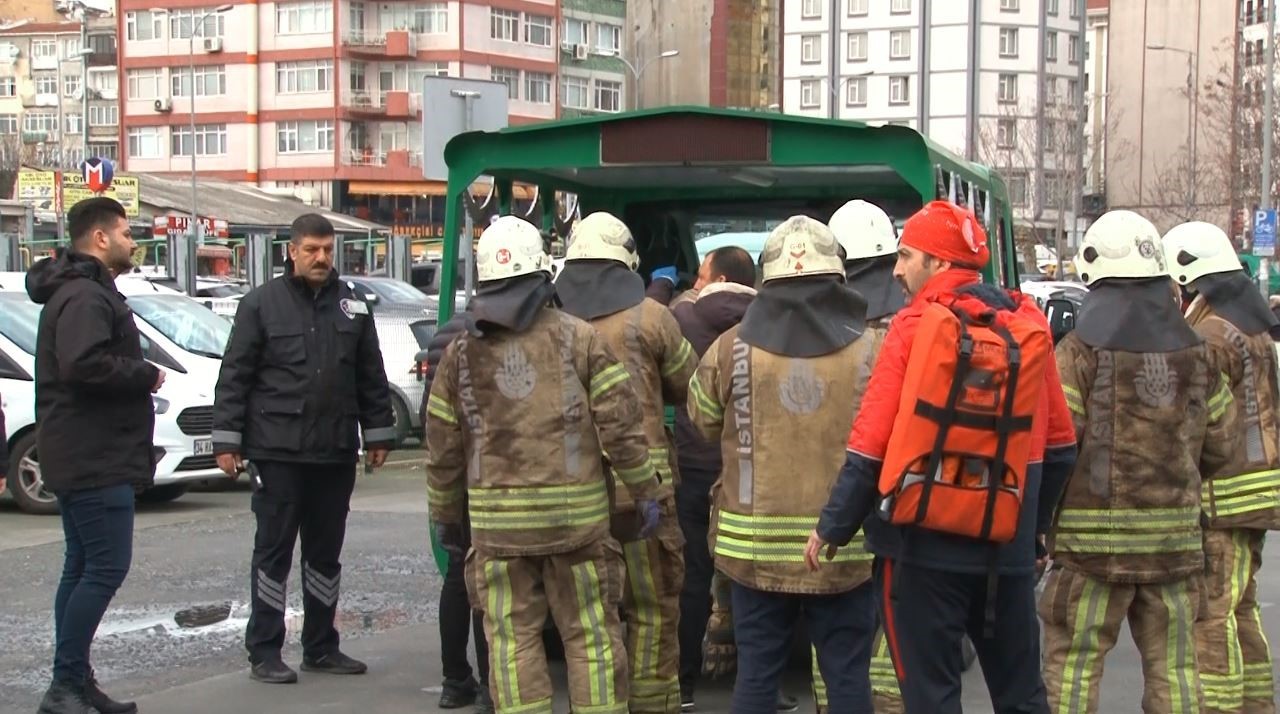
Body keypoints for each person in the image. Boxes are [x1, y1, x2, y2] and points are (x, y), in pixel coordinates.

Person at [806, 200, 1078, 714]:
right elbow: (1061, 448)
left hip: (919, 555)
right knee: (1022, 695)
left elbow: (870, 444)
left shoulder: (913, 328)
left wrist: (832, 528)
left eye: (907, 255)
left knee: (931, 698)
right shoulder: (1027, 328)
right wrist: (1033, 530)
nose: (897, 268)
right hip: (1007, 553)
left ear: (938, 262)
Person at [425, 215, 662, 714]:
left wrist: (446, 516)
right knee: (592, 637)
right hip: (576, 527)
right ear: (543, 274)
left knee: (511, 643)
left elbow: (443, 448)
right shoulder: (579, 339)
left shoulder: (459, 353)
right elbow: (621, 426)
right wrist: (645, 492)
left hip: (498, 532)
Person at [1038, 211, 1237, 713]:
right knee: (1175, 670)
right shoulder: (1198, 354)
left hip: (1089, 553)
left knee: (1073, 668)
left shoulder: (1079, 351)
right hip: (1173, 547)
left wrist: (1040, 524)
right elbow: (1225, 439)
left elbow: (1057, 445)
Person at [688, 216, 879, 713]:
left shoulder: (730, 348)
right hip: (844, 550)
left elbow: (702, 422)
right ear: (838, 276)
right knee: (847, 681)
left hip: (752, 551)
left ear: (765, 280)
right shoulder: (872, 350)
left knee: (755, 680)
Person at [212, 213, 396, 684]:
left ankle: (320, 646)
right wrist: (227, 439)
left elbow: (370, 375)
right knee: (272, 554)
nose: (321, 258)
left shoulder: (352, 306)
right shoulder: (260, 306)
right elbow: (235, 376)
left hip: (334, 451)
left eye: (328, 250)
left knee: (325, 556)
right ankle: (265, 651)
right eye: (312, 250)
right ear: (291, 252)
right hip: (277, 452)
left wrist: (377, 432)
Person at [557, 212, 697, 714]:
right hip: (645, 496)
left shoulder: (550, 320)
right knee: (653, 606)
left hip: (575, 494)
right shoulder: (651, 317)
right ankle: (652, 703)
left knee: (589, 618)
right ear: (627, 261)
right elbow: (690, 388)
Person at [27, 196, 162, 714]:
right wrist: (145, 374)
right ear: (101, 238)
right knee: (105, 567)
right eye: (126, 232)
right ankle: (65, 684)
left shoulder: (80, 290)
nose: (133, 241)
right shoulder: (84, 296)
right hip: (92, 454)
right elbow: (84, 364)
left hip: (82, 449)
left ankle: (75, 683)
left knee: (82, 565)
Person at [1163, 221, 1278, 714]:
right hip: (1257, 495)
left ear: (1189, 278)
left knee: (1210, 615)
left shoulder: (1208, 336)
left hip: (1221, 500)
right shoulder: (1251, 331)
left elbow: (1191, 424)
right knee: (1241, 609)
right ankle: (1254, 703)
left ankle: (1220, 708)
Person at [667, 246, 758, 710]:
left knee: (693, 576)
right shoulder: (769, 325)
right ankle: (763, 683)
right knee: (753, 578)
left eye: (702, 274)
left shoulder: (682, 319)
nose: (696, 282)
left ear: (718, 276)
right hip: (749, 470)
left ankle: (684, 684)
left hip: (695, 465)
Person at [828, 198, 905, 714]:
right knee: (895, 609)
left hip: (842, 486)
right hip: (905, 488)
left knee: (836, 613)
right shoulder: (915, 317)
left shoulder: (826, 323)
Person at [421, 312, 493, 713]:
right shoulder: (507, 332)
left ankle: (454, 680)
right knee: (486, 576)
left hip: (456, 470)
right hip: (491, 471)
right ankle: (489, 684)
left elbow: (433, 417)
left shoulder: (447, 332)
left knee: (456, 574)